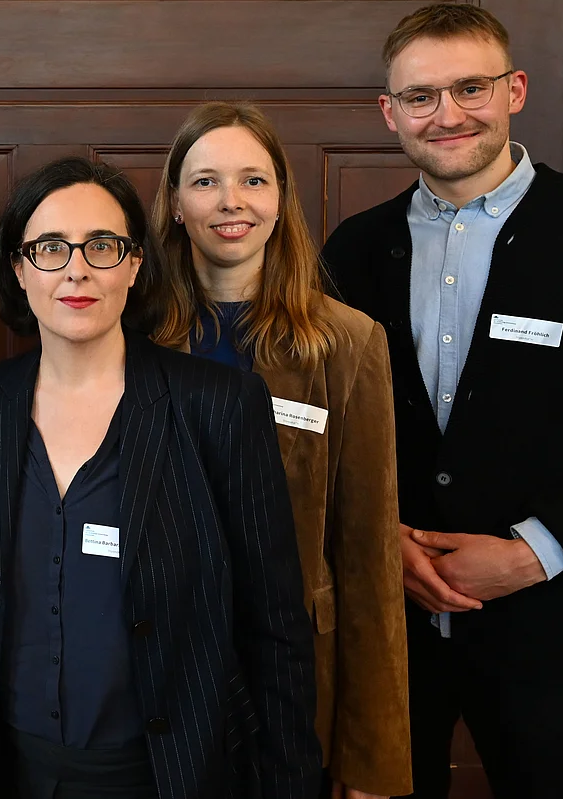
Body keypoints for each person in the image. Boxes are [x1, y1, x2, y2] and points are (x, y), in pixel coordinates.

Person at [322, 2, 563, 799]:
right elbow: (334, 433)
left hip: (558, 631)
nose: (447, 115)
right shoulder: (354, 247)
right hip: (391, 628)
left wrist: (532, 552)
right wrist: (386, 545)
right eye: (421, 96)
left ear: (514, 89)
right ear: (390, 112)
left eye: (470, 87)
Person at [0, 157, 321, 799]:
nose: (77, 269)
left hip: (166, 774)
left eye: (102, 246)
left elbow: (274, 624)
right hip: (7, 771)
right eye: (51, 248)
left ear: (135, 265)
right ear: (19, 269)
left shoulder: (217, 406)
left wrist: (289, 781)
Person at [152, 103, 410, 799]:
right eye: (205, 181)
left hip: (291, 681)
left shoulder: (349, 343)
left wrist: (373, 759)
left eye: (253, 180)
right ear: (175, 203)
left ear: (280, 198)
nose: (230, 201)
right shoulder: (127, 333)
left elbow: (369, 561)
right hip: (151, 672)